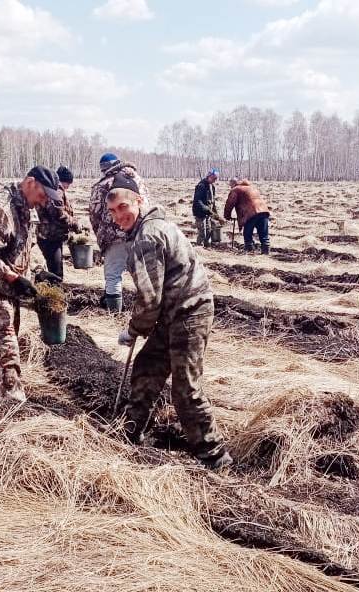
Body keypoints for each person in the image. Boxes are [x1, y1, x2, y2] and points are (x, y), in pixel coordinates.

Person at [108, 172, 232, 470]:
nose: (118, 217)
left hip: (188, 313)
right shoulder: (153, 226)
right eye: (112, 212)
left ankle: (215, 457)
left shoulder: (147, 237)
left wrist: (134, 329)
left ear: (138, 201)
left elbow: (149, 299)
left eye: (123, 208)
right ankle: (128, 431)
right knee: (148, 365)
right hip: (173, 312)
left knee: (185, 389)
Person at [0, 165, 61, 408]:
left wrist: (39, 271)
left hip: (12, 293)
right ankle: (14, 411)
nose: (43, 202)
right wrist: (10, 276)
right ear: (30, 182)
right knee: (7, 348)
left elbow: (22, 249)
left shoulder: (26, 210)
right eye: (42, 195)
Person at [89, 152, 149, 312]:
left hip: (113, 237)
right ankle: (149, 311)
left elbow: (94, 214)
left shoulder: (102, 185)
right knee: (145, 275)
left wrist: (101, 235)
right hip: (141, 234)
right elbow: (147, 206)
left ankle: (114, 315)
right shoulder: (138, 180)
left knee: (113, 276)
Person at [36, 165, 81, 281]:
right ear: (64, 181)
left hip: (48, 236)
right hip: (50, 237)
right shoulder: (57, 190)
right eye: (68, 184)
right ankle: (51, 294)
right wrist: (74, 223)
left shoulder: (52, 189)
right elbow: (58, 214)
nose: (68, 187)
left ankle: (45, 284)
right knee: (56, 274)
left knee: (53, 269)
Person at [224, 177, 271, 254]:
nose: (230, 187)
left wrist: (227, 215)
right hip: (264, 212)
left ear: (233, 184)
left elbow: (230, 204)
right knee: (264, 234)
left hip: (250, 213)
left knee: (247, 233)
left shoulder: (235, 190)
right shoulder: (251, 187)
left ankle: (249, 252)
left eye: (230, 185)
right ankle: (266, 253)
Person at [192, 168, 224, 247]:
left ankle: (206, 247)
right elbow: (198, 201)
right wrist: (208, 211)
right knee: (202, 233)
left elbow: (212, 203)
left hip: (208, 213)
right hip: (200, 213)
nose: (215, 180)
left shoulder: (212, 187)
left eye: (216, 179)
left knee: (209, 231)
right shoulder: (201, 186)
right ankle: (199, 249)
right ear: (209, 176)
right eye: (214, 178)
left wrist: (217, 216)